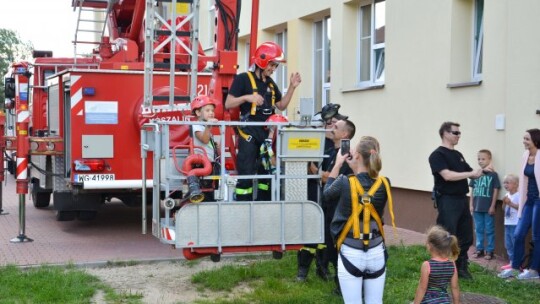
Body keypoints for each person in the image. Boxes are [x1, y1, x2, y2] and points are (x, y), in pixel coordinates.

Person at [225, 41, 302, 201]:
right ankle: (243, 208)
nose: (273, 69)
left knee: (266, 176)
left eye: (275, 66)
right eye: (271, 65)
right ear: (262, 61)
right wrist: (247, 97)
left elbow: (281, 105)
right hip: (249, 134)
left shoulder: (270, 84)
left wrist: (292, 87)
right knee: (246, 174)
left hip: (267, 135)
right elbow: (228, 103)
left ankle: (263, 206)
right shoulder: (243, 79)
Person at [324, 136, 394, 303]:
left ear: (357, 156)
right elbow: (369, 182)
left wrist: (338, 164)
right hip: (376, 249)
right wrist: (356, 168)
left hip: (351, 249)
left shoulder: (344, 182)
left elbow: (327, 194)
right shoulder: (385, 183)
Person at [297, 105, 349, 282]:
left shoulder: (342, 151)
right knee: (310, 231)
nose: (332, 128)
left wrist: (319, 174)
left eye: (336, 125)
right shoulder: (316, 141)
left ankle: (323, 267)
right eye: (332, 124)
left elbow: (333, 178)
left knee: (328, 235)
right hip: (313, 193)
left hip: (330, 199)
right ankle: (302, 270)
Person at [428, 122, 484, 280]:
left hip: (461, 199)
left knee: (465, 235)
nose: (459, 135)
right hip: (447, 200)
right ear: (445, 133)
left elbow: (471, 173)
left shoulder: (458, 155)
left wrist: (482, 170)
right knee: (447, 234)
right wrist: (469, 173)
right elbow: (447, 176)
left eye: (459, 133)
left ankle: (461, 267)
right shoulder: (437, 155)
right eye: (455, 133)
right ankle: (442, 268)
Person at [499, 128, 540, 280]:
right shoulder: (525, 155)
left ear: (535, 140)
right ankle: (515, 268)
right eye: (524, 138)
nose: (524, 141)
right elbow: (524, 180)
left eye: (527, 139)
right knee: (518, 233)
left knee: (537, 236)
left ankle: (534, 270)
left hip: (539, 201)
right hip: (528, 200)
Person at [413, 225, 460, 304]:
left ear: (430, 246)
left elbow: (422, 288)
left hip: (428, 301)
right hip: (444, 301)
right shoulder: (452, 264)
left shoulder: (427, 265)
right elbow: (454, 287)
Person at [469, 149, 501, 261]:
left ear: (489, 159)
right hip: (477, 207)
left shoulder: (493, 175)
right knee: (478, 229)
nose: (480, 161)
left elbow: (496, 190)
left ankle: (490, 250)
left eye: (483, 159)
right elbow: (472, 191)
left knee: (489, 230)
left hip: (488, 208)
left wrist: (492, 206)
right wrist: (471, 205)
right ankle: (479, 249)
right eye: (478, 159)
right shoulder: (476, 174)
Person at [191, 95, 219, 201]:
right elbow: (204, 139)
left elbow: (208, 142)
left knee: (210, 190)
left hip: (210, 164)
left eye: (212, 110)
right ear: (198, 113)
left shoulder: (204, 126)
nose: (211, 113)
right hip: (200, 165)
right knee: (204, 191)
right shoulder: (196, 126)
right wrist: (208, 126)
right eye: (207, 110)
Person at [500, 174, 520, 270]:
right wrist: (504, 203)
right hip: (507, 223)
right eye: (504, 183)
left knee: (514, 243)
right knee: (508, 244)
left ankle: (516, 263)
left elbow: (520, 208)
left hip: (515, 223)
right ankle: (512, 262)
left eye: (508, 183)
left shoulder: (518, 195)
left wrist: (510, 203)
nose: (505, 185)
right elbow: (503, 208)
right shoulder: (506, 195)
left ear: (516, 184)